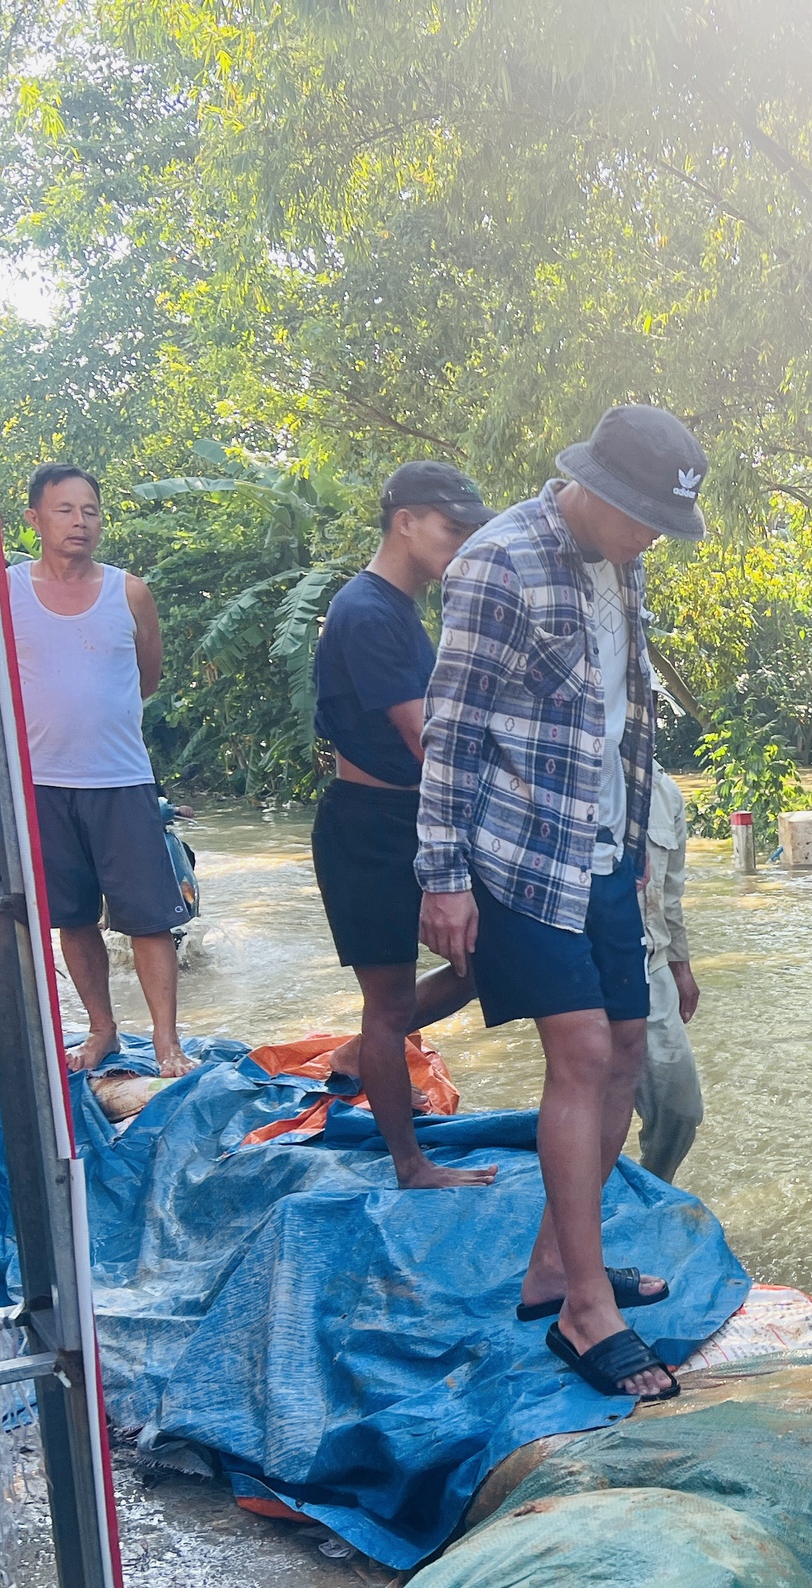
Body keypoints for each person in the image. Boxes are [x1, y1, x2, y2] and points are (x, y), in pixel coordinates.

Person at [417, 404, 707, 1400]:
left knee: (629, 1046)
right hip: (521, 854)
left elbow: (626, 719)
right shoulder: (496, 564)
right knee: (581, 1052)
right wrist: (443, 877)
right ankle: (587, 1313)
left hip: (603, 851)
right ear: (591, 485)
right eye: (638, 519)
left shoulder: (621, 560)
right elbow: (450, 732)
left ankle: (557, 1265)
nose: (647, 540)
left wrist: (635, 853)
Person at [311, 462, 499, 1190]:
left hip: (412, 819)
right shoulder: (367, 613)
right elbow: (431, 743)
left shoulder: (398, 607)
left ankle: (362, 1052)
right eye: (452, 528)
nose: (460, 542)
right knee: (389, 1003)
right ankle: (410, 1164)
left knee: (482, 965)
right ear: (406, 521)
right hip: (371, 828)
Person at [10, 463, 194, 1076]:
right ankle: (103, 1030)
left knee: (148, 919)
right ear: (35, 518)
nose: (80, 522)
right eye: (64, 510)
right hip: (41, 783)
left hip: (120, 778)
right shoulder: (6, 591)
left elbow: (147, 678)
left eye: (89, 510)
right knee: (73, 917)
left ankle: (167, 1044)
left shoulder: (129, 592)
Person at [632, 763, 703, 1184]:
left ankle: (651, 1190)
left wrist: (681, 966)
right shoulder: (573, 771)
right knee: (594, 1099)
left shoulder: (664, 792)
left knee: (680, 1109)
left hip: (650, 960)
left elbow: (670, 893)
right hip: (580, 964)